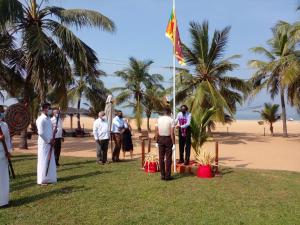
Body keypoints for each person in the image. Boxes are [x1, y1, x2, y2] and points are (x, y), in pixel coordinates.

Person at [36, 103, 57, 185]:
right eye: (49, 108)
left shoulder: (48, 119)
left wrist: (54, 132)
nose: (50, 110)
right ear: (44, 109)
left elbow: (48, 130)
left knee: (50, 160)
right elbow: (40, 133)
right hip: (44, 143)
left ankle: (50, 178)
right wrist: (48, 141)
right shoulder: (40, 119)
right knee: (43, 160)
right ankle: (42, 179)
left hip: (50, 142)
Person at [155, 107, 175, 181]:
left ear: (163, 112)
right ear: (169, 112)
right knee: (168, 158)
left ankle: (162, 175)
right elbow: (172, 133)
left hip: (160, 138)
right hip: (168, 139)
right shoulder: (171, 120)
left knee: (161, 157)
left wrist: (156, 141)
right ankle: (167, 176)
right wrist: (174, 144)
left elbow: (156, 131)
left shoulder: (159, 119)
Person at [0, 106, 12, 207]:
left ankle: (4, 200)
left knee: (4, 178)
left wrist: (9, 151)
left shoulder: (4, 125)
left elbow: (8, 139)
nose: (2, 113)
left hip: (3, 155)